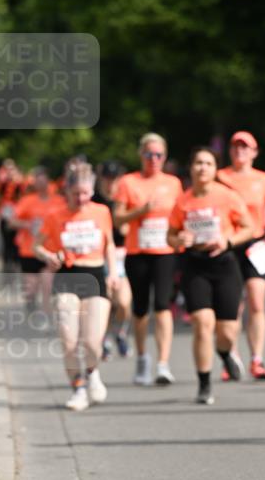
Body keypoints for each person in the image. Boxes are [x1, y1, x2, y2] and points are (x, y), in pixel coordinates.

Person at [167, 147, 254, 405]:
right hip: (194, 264)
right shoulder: (183, 201)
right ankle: (204, 383)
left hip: (224, 263)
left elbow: (249, 228)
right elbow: (170, 236)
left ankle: (225, 352)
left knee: (227, 331)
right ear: (191, 168)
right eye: (198, 163)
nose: (202, 167)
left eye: (208, 163)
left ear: (215, 169)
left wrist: (227, 241)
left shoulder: (227, 196)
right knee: (202, 323)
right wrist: (178, 239)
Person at [35, 163, 118, 411]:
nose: (81, 198)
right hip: (67, 276)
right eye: (76, 194)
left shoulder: (102, 212)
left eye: (85, 193)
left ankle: (92, 373)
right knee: (68, 338)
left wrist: (113, 273)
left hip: (95, 276)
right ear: (67, 192)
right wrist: (48, 255)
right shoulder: (55, 215)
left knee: (93, 343)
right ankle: (78, 387)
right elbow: (36, 246)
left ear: (92, 191)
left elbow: (109, 245)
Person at [113, 134, 182, 386]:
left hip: (164, 251)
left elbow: (181, 214)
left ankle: (163, 363)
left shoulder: (173, 183)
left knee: (163, 306)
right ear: (140, 156)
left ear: (164, 157)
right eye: (148, 155)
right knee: (140, 309)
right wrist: (142, 210)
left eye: (158, 155)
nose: (153, 160)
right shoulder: (128, 182)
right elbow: (118, 218)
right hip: (137, 251)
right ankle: (142, 359)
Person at [217, 131, 265, 380]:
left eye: (245, 147)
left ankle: (257, 359)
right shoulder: (221, 177)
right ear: (230, 151)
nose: (240, 150)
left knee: (256, 301)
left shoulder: (263, 178)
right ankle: (231, 358)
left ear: (254, 152)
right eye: (235, 146)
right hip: (230, 244)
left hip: (256, 243)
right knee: (233, 304)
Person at [8, 167, 64, 317]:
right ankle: (30, 305)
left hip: (50, 251)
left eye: (43, 181)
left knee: (48, 285)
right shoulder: (27, 201)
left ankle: (48, 315)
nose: (40, 185)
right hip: (29, 250)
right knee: (31, 289)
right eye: (37, 182)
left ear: (48, 181)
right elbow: (11, 222)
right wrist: (28, 224)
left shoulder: (59, 201)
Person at [93, 160, 133, 358]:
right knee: (107, 300)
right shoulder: (94, 200)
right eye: (107, 179)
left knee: (124, 303)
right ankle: (105, 337)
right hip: (100, 255)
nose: (111, 183)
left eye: (114, 179)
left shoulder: (123, 199)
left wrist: (127, 227)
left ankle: (120, 332)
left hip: (121, 255)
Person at [0, 159, 25, 271]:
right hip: (5, 217)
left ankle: (16, 265)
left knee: (16, 242)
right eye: (7, 170)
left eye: (11, 169)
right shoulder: (1, 183)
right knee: (6, 242)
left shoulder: (20, 183)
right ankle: (7, 266)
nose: (9, 172)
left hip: (16, 217)